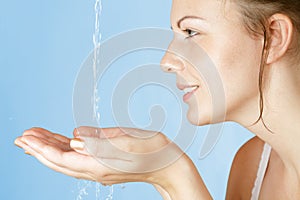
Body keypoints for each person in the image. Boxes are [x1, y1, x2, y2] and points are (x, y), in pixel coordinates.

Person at [15, 0, 300, 199]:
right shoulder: (251, 167)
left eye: (191, 32)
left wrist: (172, 175)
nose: (167, 61)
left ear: (273, 37)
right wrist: (165, 168)